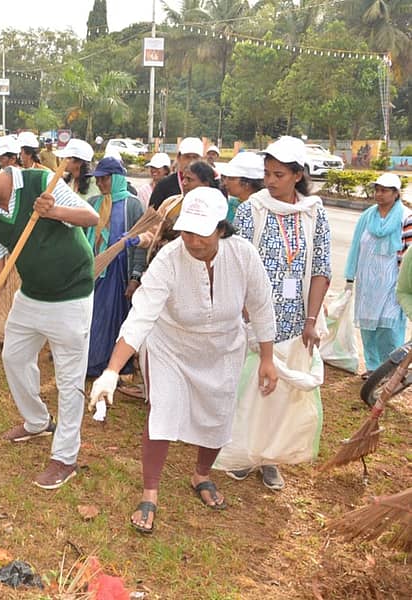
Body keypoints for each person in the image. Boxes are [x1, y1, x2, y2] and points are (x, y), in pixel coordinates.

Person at [89, 187, 278, 534]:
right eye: (186, 231)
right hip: (171, 347)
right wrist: (112, 371)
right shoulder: (169, 258)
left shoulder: (244, 255)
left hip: (223, 347)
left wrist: (267, 358)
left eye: (200, 232)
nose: (191, 240)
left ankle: (201, 476)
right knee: (163, 411)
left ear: (221, 228)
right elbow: (142, 314)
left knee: (218, 414)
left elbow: (262, 306)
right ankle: (150, 492)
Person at [0, 147, 99, 490]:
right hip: (32, 295)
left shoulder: (42, 182)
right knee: (14, 357)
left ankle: (65, 457)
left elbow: (90, 217)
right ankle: (36, 421)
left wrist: (53, 211)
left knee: (69, 379)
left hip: (71, 294)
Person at [228, 136, 332, 490]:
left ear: (298, 175)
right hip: (252, 320)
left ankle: (270, 458)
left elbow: (320, 268)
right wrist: (243, 310)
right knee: (248, 390)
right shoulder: (251, 210)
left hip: (293, 320)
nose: (270, 181)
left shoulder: (314, 213)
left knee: (280, 395)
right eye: (267, 173)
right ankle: (243, 452)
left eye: (278, 175)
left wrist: (312, 320)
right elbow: (236, 264)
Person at [83, 157, 147, 378]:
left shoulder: (133, 204)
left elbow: (141, 242)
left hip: (118, 272)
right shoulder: (93, 203)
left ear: (117, 179)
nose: (100, 184)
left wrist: (135, 276)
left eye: (105, 179)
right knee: (90, 317)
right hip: (93, 271)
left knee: (113, 318)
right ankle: (89, 362)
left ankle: (110, 365)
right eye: (98, 180)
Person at [345, 173, 412, 377]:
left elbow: (409, 252)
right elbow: (356, 245)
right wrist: (350, 277)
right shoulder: (368, 216)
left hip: (393, 282)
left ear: (395, 193)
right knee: (368, 326)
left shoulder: (406, 217)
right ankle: (373, 368)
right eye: (377, 190)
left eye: (384, 190)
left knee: (389, 326)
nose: (379, 194)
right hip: (367, 283)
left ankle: (391, 368)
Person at [149, 137, 204, 210]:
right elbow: (151, 216)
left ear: (201, 159)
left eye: (195, 157)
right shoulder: (164, 185)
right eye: (187, 157)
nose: (191, 162)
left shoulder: (207, 185)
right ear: (178, 157)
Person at [219, 151, 264, 222]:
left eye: (231, 179)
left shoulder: (261, 209)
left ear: (247, 183)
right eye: (225, 178)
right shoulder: (232, 203)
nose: (225, 183)